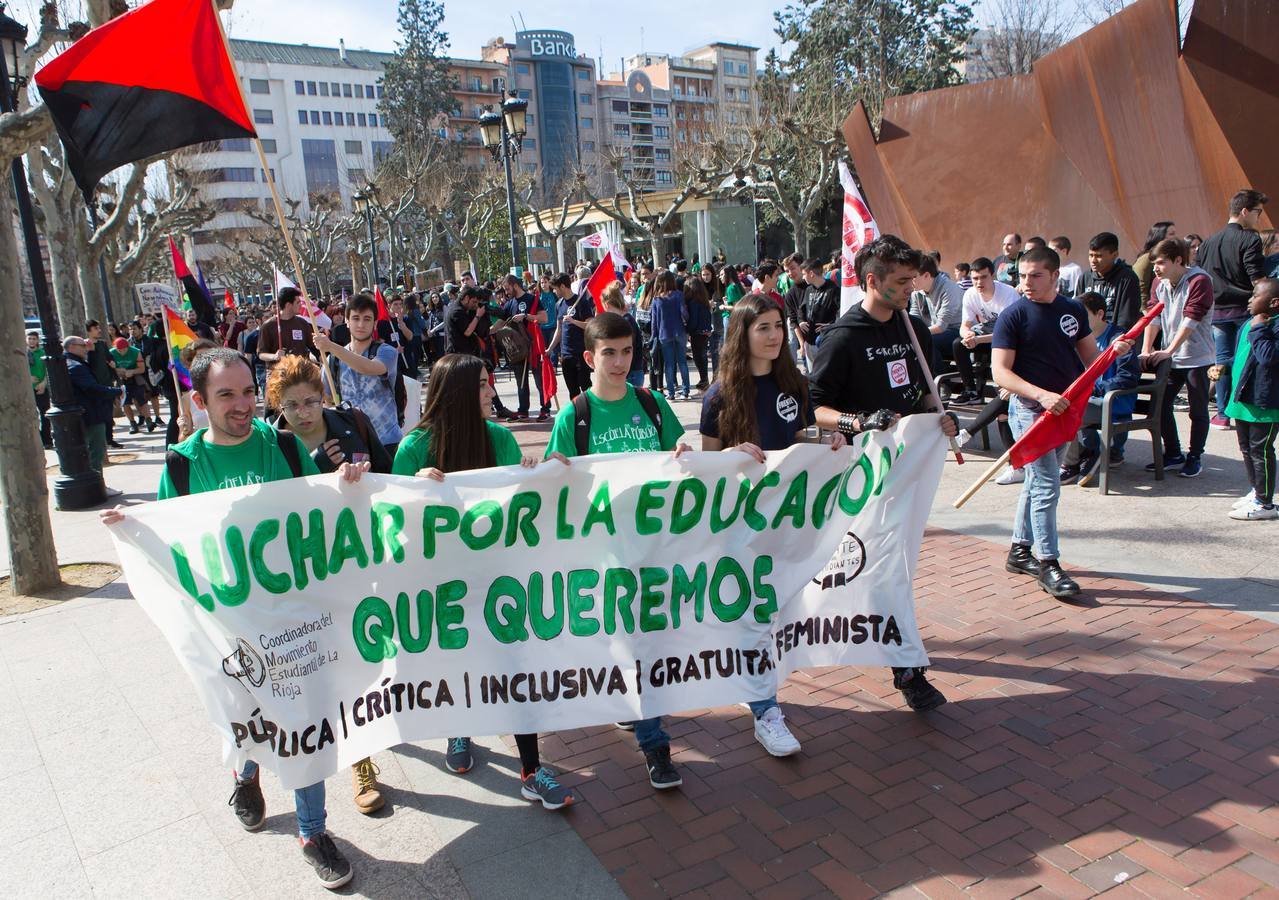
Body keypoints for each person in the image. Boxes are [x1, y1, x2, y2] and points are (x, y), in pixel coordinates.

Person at [102, 348, 367, 889]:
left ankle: (313, 832)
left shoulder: (285, 446)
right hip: (225, 626)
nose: (242, 404)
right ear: (199, 402)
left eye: (248, 391)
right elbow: (168, 543)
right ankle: (246, 775)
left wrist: (350, 479)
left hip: (290, 620)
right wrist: (131, 528)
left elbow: (321, 505)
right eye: (226, 394)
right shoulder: (181, 464)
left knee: (300, 720)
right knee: (249, 714)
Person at [392, 353, 576, 809]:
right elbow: (389, 523)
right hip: (442, 588)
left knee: (516, 667)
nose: (491, 392)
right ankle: (458, 728)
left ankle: (532, 768)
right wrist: (412, 490)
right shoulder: (413, 448)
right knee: (458, 664)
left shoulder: (498, 438)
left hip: (499, 582)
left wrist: (540, 476)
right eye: (481, 385)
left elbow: (516, 506)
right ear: (455, 393)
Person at [808, 235, 958, 711]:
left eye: (912, 279)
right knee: (868, 571)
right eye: (900, 281)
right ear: (871, 281)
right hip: (857, 479)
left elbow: (918, 394)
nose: (910, 288)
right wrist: (859, 423)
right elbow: (814, 409)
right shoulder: (843, 337)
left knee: (893, 569)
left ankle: (906, 667)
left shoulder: (913, 328)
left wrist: (938, 418)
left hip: (903, 475)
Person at [544, 314, 690, 789]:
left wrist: (691, 452)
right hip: (605, 557)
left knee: (650, 644)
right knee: (634, 644)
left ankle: (637, 706)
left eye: (627, 351)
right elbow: (552, 485)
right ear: (589, 358)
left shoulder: (651, 403)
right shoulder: (575, 416)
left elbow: (679, 453)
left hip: (655, 548)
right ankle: (655, 745)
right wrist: (552, 470)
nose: (620, 362)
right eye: (609, 353)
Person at [699, 294, 846, 755]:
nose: (774, 334)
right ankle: (767, 711)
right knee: (757, 616)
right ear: (741, 334)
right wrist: (729, 456)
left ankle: (752, 685)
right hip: (741, 527)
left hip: (791, 522)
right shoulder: (719, 394)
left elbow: (801, 432)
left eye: (778, 325)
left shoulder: (794, 384)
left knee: (775, 616)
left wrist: (828, 438)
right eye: (762, 326)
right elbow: (706, 466)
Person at [993, 246, 1132, 599]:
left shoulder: (1071, 310)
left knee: (1036, 485)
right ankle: (1048, 563)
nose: (1027, 282)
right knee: (1046, 486)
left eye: (1035, 275)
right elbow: (1001, 373)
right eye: (1022, 275)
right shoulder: (1012, 316)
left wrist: (1112, 354)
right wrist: (1040, 396)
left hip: (1063, 410)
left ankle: (1020, 550)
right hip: (1030, 411)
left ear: (1055, 275)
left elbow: (1091, 358)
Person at [1142, 237, 1215, 478]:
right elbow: (1153, 316)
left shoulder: (1200, 280)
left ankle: (1195, 456)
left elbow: (1190, 321)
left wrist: (1169, 350)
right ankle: (1173, 453)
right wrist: (1146, 348)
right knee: (1159, 404)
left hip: (1198, 357)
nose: (1156, 268)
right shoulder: (1159, 283)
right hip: (1170, 357)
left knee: (1198, 410)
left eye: (1161, 262)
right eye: (1154, 263)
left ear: (1178, 261)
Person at [1197, 189, 1269, 430]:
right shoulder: (1250, 239)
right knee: (1245, 360)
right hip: (1243, 310)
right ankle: (1241, 409)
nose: (1259, 217)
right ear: (1245, 211)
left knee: (1222, 362)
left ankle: (1222, 413)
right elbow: (1256, 276)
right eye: (1258, 212)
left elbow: (1200, 276)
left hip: (1216, 312)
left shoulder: (1208, 242)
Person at [1058, 292, 1140, 482]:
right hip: (1088, 402)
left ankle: (1071, 463)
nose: (1077, 321)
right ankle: (1090, 451)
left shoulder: (1119, 340)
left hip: (1112, 402)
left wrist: (1094, 389)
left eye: (1082, 315)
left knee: (1065, 410)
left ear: (1100, 314)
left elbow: (1127, 377)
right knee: (1057, 404)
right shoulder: (1078, 339)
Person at [316, 292, 403, 455]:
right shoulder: (332, 361)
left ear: (375, 323)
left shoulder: (387, 352)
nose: (361, 324)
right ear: (347, 321)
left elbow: (370, 368)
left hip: (388, 442)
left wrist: (331, 347)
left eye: (367, 319)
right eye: (355, 318)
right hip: (353, 445)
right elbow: (325, 397)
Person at [1224, 278, 1279, 520]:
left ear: (1274, 302)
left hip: (1265, 404)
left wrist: (1259, 328)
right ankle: (1256, 491)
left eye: (1256, 295)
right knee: (1247, 449)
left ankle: (1265, 504)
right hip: (1243, 398)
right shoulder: (1250, 323)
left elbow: (1268, 357)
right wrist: (1223, 368)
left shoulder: (1270, 326)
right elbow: (1243, 357)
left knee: (1261, 451)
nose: (1250, 299)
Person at [953, 257, 1019, 406]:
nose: (979, 282)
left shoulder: (1008, 294)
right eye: (975, 278)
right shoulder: (970, 294)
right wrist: (967, 336)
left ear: (993, 276)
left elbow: (1007, 335)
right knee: (958, 344)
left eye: (983, 277)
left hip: (1010, 341)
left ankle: (1007, 390)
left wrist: (977, 340)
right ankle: (970, 391)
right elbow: (964, 325)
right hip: (989, 335)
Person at [64, 335, 122, 479]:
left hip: (84, 414)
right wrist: (117, 391)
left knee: (92, 451)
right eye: (82, 345)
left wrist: (91, 351)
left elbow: (94, 373)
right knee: (95, 452)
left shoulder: (72, 362)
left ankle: (96, 483)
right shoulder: (75, 366)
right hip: (90, 414)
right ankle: (97, 484)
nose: (85, 348)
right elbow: (92, 388)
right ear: (72, 347)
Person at [498, 273, 550, 420]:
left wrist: (526, 316)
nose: (506, 292)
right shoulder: (509, 303)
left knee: (539, 379)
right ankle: (523, 410)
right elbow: (501, 322)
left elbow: (544, 318)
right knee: (521, 380)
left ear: (515, 285)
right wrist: (489, 331)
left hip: (533, 345)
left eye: (508, 288)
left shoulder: (531, 299)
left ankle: (545, 409)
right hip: (518, 348)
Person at [1078, 232, 1141, 330]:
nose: (1093, 260)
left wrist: (1115, 339)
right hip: (1089, 339)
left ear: (1114, 254)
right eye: (1091, 255)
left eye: (1099, 256)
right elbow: (1078, 310)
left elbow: (1126, 318)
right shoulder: (1085, 277)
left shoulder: (1127, 278)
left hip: (1115, 339)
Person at [256, 286, 319, 386]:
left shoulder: (302, 323)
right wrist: (274, 356)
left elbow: (312, 347)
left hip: (300, 375)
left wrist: (322, 358)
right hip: (278, 376)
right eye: (298, 302)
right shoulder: (268, 326)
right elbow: (261, 354)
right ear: (289, 305)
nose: (301, 305)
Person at [908, 254, 964, 363]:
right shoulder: (916, 292)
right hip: (935, 332)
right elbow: (915, 319)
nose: (910, 281)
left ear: (926, 275)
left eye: (913, 277)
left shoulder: (949, 288)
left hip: (958, 332)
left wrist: (916, 334)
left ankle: (938, 376)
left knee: (924, 341)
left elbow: (941, 326)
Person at [650, 270, 691, 401]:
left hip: (664, 333)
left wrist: (653, 336)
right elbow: (684, 312)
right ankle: (685, 391)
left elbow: (654, 321)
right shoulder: (679, 295)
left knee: (669, 364)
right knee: (682, 362)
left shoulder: (657, 299)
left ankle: (671, 393)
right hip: (679, 331)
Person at [559, 272, 598, 400]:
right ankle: (577, 414)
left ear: (563, 287)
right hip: (566, 353)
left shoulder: (581, 302)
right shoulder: (559, 304)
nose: (554, 291)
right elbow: (559, 329)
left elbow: (590, 324)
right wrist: (550, 349)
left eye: (555, 288)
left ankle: (591, 412)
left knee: (585, 385)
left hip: (581, 351)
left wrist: (573, 321)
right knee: (572, 389)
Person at [601, 283, 646, 387]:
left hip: (631, 372)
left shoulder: (625, 321)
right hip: (631, 371)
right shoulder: (625, 319)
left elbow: (626, 348)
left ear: (607, 305)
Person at [796, 258, 839, 359]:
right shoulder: (808, 290)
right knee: (812, 374)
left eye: (803, 274)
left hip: (825, 342)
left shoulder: (833, 289)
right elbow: (801, 309)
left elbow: (843, 313)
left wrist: (831, 325)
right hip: (809, 342)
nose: (802, 277)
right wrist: (801, 321)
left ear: (811, 273)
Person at [110, 336, 151, 434]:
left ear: (128, 347)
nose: (122, 352)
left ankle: (149, 420)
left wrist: (132, 371)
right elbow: (110, 369)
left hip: (135, 377)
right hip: (120, 379)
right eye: (119, 350)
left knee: (142, 399)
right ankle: (132, 424)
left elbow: (142, 369)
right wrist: (119, 371)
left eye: (124, 349)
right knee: (125, 402)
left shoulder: (136, 352)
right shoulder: (111, 353)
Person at [1132, 221, 1177, 310]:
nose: (1175, 238)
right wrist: (1147, 315)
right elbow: (1140, 289)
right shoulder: (1145, 259)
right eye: (1171, 234)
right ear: (1160, 236)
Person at [684, 272, 714, 391]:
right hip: (705, 331)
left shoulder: (693, 303)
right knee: (703, 356)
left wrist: (687, 330)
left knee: (698, 357)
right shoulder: (704, 301)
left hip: (697, 332)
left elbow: (693, 321)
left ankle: (704, 380)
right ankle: (704, 379)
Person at [28, 330, 52, 448]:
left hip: (42, 388)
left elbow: (48, 371)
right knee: (31, 415)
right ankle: (37, 439)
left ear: (37, 340)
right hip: (28, 389)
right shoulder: (22, 354)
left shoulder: (42, 353)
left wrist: (43, 384)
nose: (32, 341)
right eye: (29, 338)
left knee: (45, 415)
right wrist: (28, 378)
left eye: (34, 338)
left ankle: (47, 440)